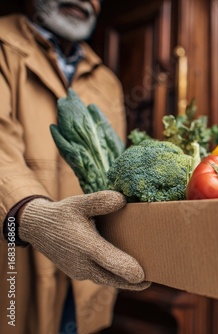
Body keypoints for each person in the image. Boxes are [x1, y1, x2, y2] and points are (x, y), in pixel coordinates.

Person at [0, 1, 150, 333]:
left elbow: (113, 172)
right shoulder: (3, 47)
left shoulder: (107, 80)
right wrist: (33, 216)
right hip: (14, 272)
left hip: (88, 282)